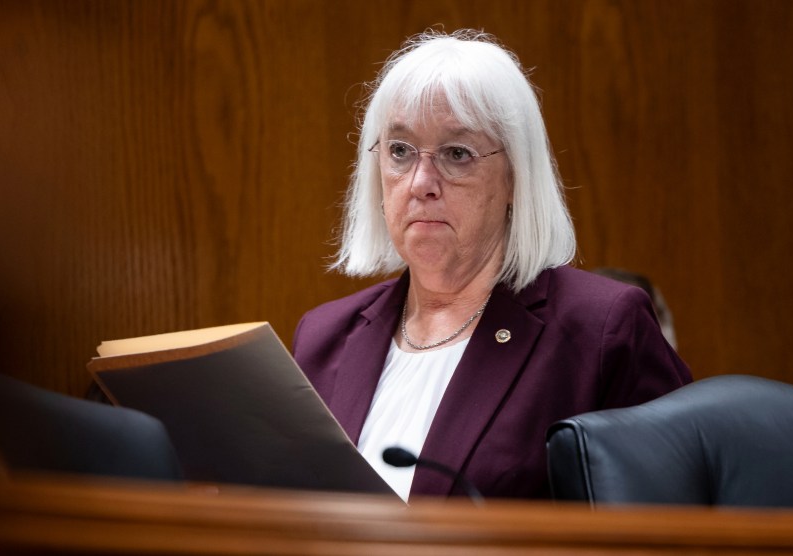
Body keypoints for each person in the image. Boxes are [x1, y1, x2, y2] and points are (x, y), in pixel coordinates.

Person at [292, 30, 691, 502]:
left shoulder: (600, 330)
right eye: (399, 150)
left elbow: (675, 527)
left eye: (457, 154)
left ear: (515, 180)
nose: (421, 183)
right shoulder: (324, 338)